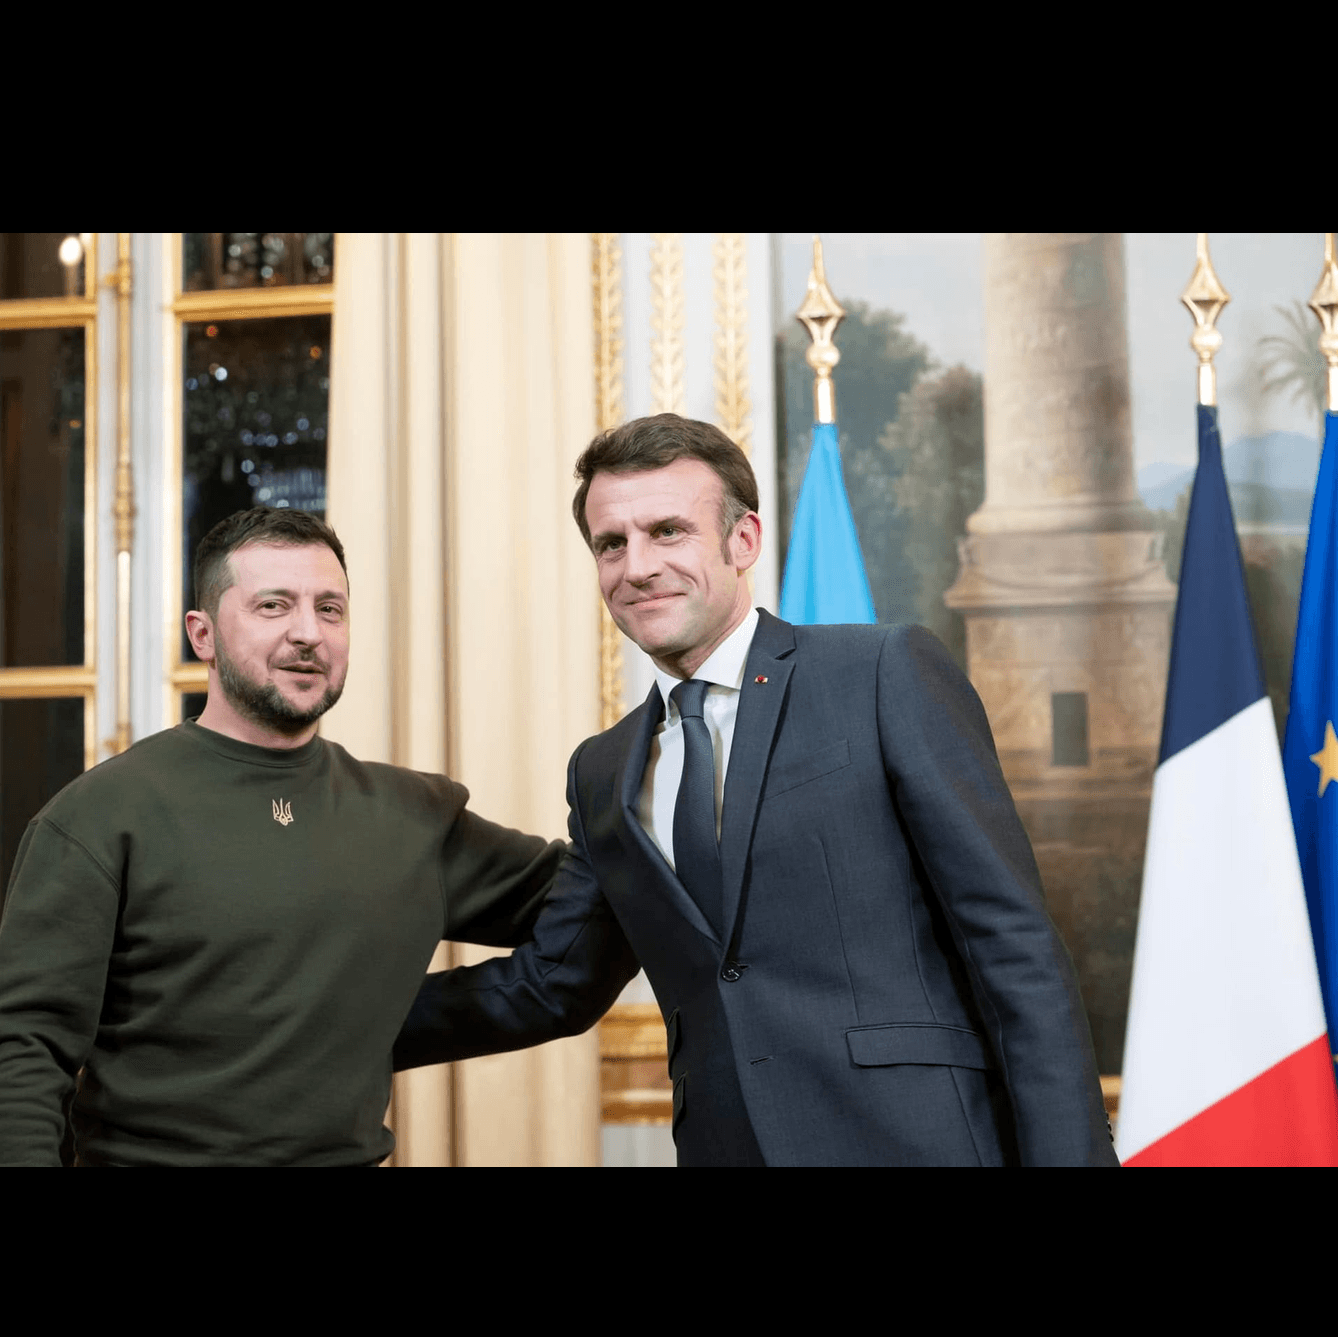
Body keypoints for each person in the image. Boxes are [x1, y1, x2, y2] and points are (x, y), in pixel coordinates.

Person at [395, 414, 1118, 1166]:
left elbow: (1009, 942)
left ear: (743, 541)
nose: (636, 567)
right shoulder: (602, 770)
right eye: (612, 544)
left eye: (668, 531)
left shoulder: (880, 674)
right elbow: (554, 982)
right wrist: (332, 1027)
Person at [0, 507, 627, 1166]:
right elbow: (25, 1052)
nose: (308, 633)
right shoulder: (98, 816)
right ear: (203, 634)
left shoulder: (414, 815)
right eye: (273, 606)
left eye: (329, 609)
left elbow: (604, 904)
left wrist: (395, 1022)